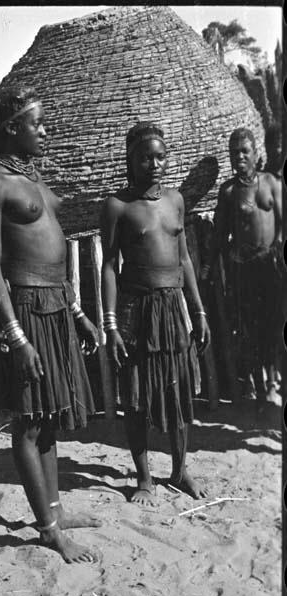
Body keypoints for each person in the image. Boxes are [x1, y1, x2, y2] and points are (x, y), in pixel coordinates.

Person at [0, 87, 101, 563]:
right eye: (38, 123)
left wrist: (79, 313)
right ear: (12, 129)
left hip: (55, 305)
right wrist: (15, 336)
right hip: (25, 310)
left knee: (48, 415)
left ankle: (54, 510)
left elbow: (52, 256)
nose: (46, 130)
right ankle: (49, 531)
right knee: (28, 421)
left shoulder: (35, 179)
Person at [100, 122, 211, 506]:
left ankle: (179, 471)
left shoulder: (176, 201)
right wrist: (110, 325)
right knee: (137, 395)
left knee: (178, 389)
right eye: (146, 156)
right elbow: (109, 266)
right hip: (137, 309)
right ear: (131, 160)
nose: (155, 163)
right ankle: (144, 478)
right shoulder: (118, 206)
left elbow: (184, 260)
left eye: (161, 156)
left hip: (172, 309)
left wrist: (198, 310)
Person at [202, 127, 283, 404]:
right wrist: (213, 264)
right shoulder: (229, 192)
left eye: (244, 151)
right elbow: (219, 234)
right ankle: (257, 386)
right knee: (249, 327)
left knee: (274, 323)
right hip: (245, 270)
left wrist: (277, 252)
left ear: (255, 153)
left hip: (271, 267)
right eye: (233, 152)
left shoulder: (272, 182)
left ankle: (273, 381)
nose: (239, 157)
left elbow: (283, 225)